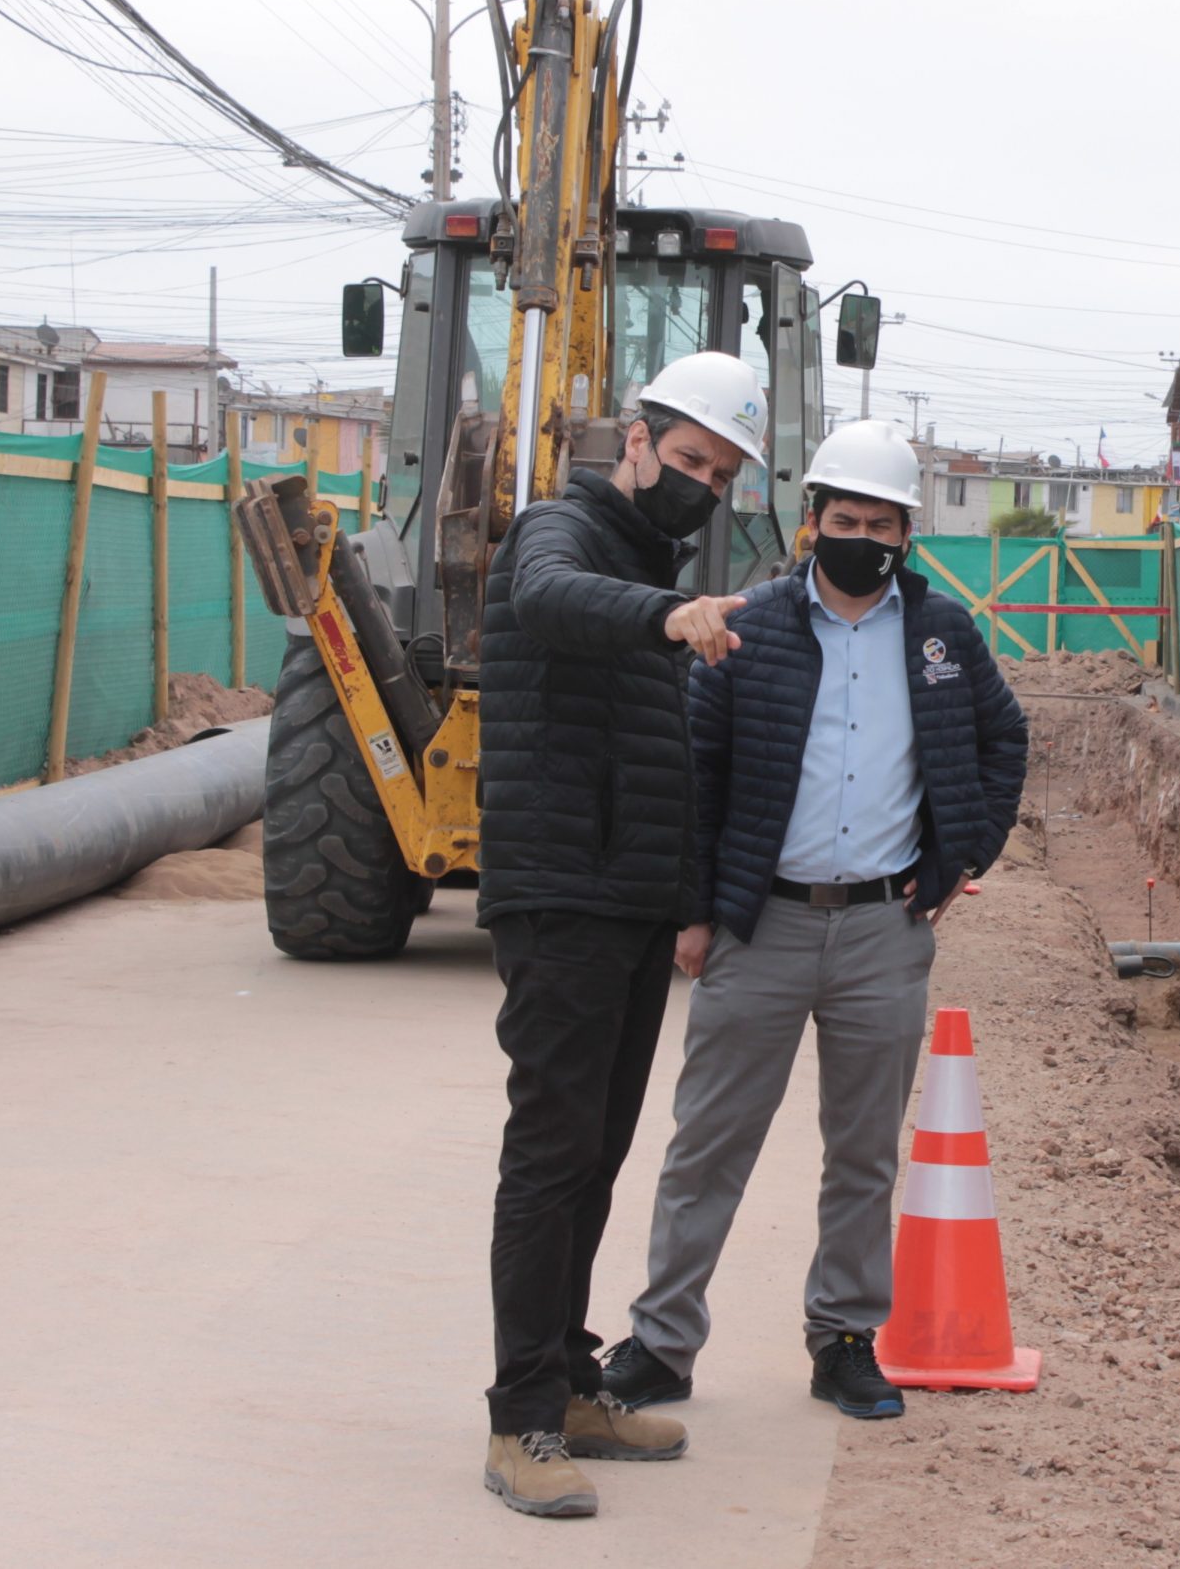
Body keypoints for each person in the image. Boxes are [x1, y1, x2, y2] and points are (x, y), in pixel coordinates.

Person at [598, 420, 1029, 1421]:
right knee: (708, 1144)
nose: (861, 539)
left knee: (864, 1153)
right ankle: (662, 1342)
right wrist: (695, 912)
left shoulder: (941, 635)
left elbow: (1002, 738)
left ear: (906, 533)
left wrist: (962, 855)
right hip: (761, 927)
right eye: (845, 520)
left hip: (883, 930)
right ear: (812, 521)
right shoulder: (749, 627)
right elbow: (695, 770)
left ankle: (842, 1339)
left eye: (881, 525)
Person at [475, 349, 763, 1520]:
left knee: (594, 1158)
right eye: (690, 457)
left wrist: (687, 901)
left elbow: (662, 764)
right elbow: (549, 600)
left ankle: (570, 1379)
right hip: (562, 897)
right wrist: (662, 615)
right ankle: (521, 1422)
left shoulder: (652, 564)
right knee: (549, 1159)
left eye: (723, 473)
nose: (703, 484)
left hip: (632, 901)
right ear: (636, 443)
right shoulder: (561, 530)